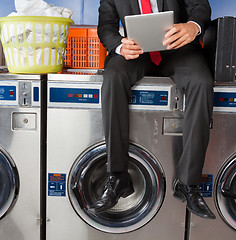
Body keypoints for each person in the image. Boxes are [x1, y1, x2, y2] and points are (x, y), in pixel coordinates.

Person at [89, 0, 215, 219]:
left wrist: (193, 26)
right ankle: (118, 177)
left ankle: (188, 183)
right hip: (137, 53)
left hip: (179, 50)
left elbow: (200, 6)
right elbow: (106, 26)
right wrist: (120, 46)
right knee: (112, 77)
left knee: (202, 82)